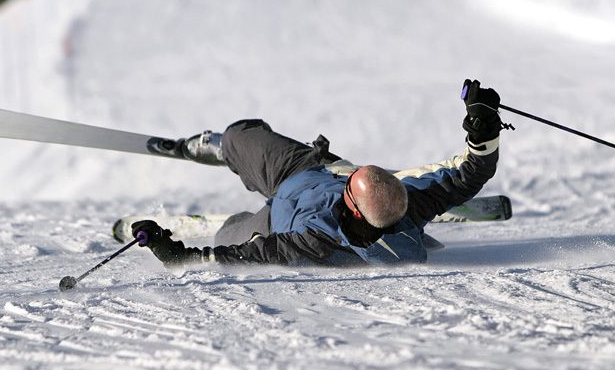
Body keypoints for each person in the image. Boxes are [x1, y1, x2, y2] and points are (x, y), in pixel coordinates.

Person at [132, 79, 503, 267]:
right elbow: (469, 172)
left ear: (355, 209)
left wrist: (181, 256)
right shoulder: (414, 201)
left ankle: (225, 204)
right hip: (306, 168)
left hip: (269, 222)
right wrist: (483, 126)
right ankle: (215, 147)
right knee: (240, 135)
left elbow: (254, 254)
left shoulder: (317, 240)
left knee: (230, 230)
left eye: (349, 191)